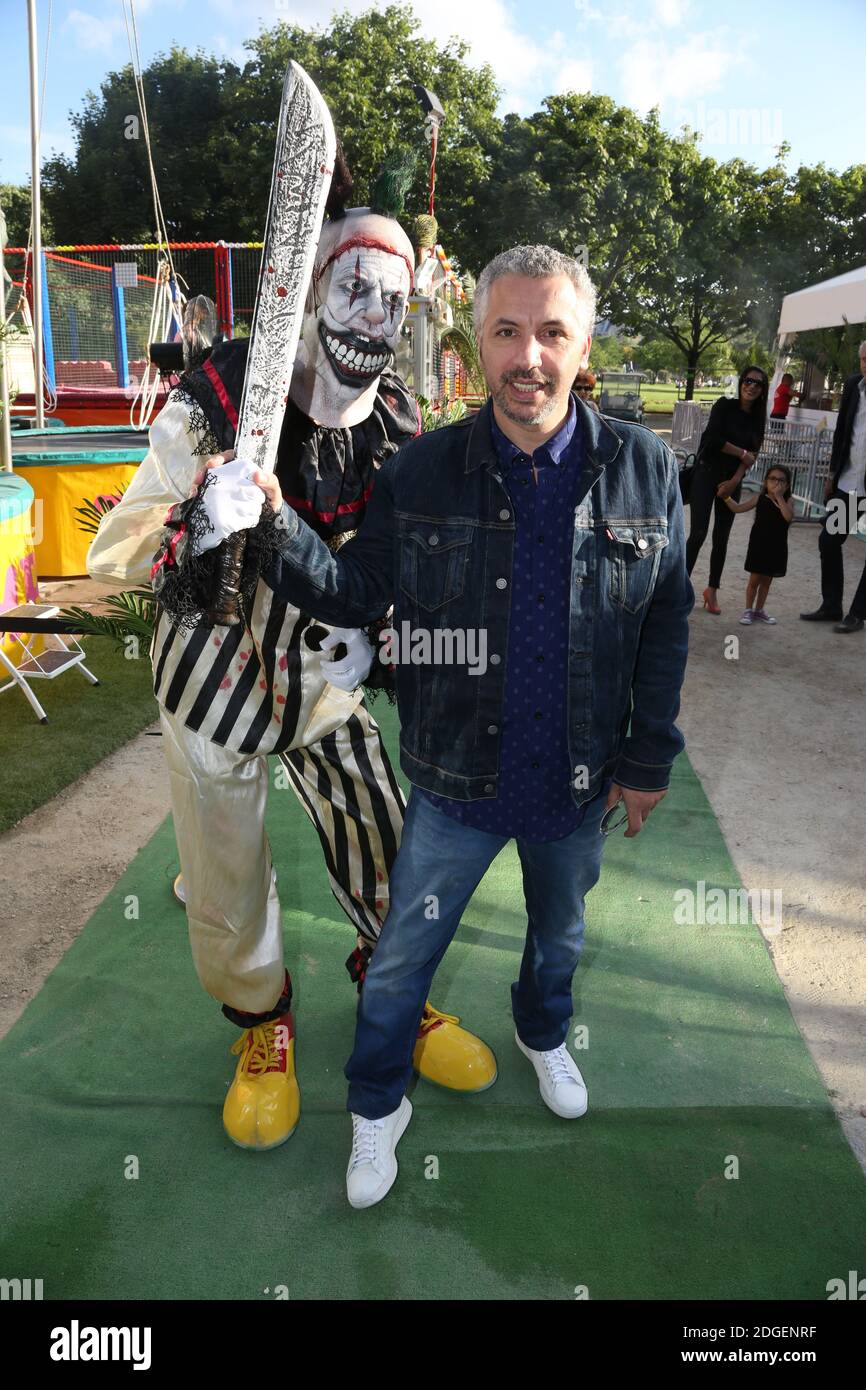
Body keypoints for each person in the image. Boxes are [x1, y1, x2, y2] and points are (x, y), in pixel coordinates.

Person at [197, 244, 693, 1208]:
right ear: (480, 339)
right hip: (457, 778)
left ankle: (542, 1033)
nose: (529, 357)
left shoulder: (645, 468)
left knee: (559, 937)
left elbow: (666, 621)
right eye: (507, 331)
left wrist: (648, 758)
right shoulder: (423, 469)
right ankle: (377, 1103)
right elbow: (358, 591)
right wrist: (271, 524)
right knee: (399, 963)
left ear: (582, 342)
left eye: (551, 332)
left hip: (580, 776)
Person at [87, 158, 494, 1155]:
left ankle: (393, 988)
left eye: (393, 303)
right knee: (222, 861)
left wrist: (388, 626)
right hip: (210, 669)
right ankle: (261, 1025)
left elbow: (412, 559)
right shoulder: (212, 396)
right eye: (355, 289)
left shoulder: (397, 419)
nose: (372, 319)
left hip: (324, 673)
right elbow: (118, 549)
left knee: (380, 828)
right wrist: (195, 517)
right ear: (311, 291)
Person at [685, 366, 768, 614]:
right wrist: (740, 452)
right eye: (748, 380)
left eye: (757, 383)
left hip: (732, 480)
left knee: (722, 537)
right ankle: (680, 587)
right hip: (706, 473)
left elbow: (752, 456)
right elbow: (712, 440)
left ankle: (712, 590)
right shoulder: (724, 406)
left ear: (762, 390)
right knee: (698, 533)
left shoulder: (758, 419)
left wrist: (734, 481)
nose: (751, 386)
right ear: (741, 382)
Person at [800, 341, 866, 635]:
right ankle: (832, 605)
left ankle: (858, 613)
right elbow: (842, 433)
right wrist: (830, 474)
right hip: (850, 484)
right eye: (864, 359)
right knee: (829, 540)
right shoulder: (854, 386)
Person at [720, 465, 794, 624]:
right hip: (759, 545)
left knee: (767, 582)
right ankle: (748, 610)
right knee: (754, 581)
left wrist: (779, 497)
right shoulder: (759, 499)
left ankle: (759, 610)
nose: (776, 483)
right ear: (766, 481)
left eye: (781, 480)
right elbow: (738, 508)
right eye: (772, 479)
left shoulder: (788, 501)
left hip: (777, 547)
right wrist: (726, 497)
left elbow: (788, 517)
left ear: (787, 485)